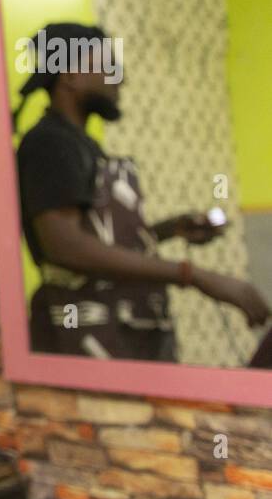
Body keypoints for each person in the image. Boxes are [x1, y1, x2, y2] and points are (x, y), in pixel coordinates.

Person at [14, 22, 269, 361]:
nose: (120, 78)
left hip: (123, 332)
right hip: (80, 340)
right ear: (71, 74)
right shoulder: (51, 144)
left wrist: (169, 230)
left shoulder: (81, 145)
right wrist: (192, 275)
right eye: (109, 65)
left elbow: (96, 237)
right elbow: (64, 246)